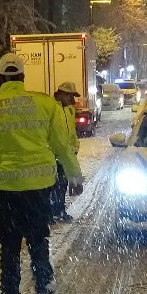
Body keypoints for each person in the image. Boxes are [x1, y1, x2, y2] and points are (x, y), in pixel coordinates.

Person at [0, 53, 84, 294]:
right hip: (38, 192)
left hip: (7, 194)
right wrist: (74, 177)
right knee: (38, 244)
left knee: (8, 252)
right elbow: (61, 145)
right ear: (23, 77)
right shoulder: (45, 105)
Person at [49, 82, 82, 223]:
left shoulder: (69, 110)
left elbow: (72, 132)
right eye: (70, 96)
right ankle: (51, 213)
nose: (72, 100)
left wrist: (75, 147)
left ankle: (60, 210)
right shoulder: (50, 108)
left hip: (66, 154)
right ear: (62, 94)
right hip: (52, 154)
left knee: (62, 184)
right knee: (51, 185)